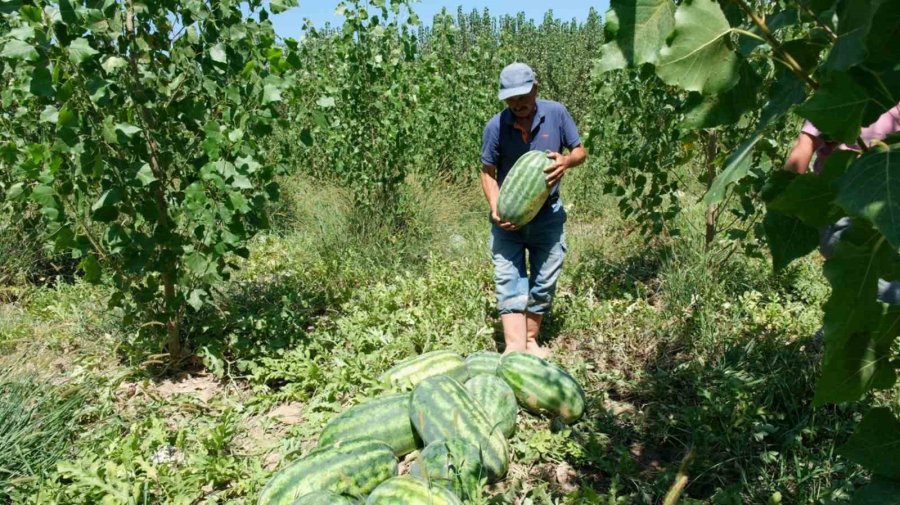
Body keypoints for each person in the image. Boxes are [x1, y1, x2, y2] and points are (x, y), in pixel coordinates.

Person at [480, 62, 587, 357]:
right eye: (511, 99)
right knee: (507, 277)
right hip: (507, 219)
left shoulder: (556, 113)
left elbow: (580, 151)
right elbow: (487, 172)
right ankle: (514, 348)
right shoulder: (496, 126)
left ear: (535, 88)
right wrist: (495, 207)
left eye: (522, 97)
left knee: (545, 276)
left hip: (547, 215)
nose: (517, 104)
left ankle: (529, 339)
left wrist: (566, 162)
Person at [784, 103, 900, 303]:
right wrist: (786, 204)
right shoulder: (839, 95)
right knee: (884, 288)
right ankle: (842, 329)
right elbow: (803, 148)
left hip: (885, 212)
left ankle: (844, 326)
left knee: (868, 282)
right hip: (840, 210)